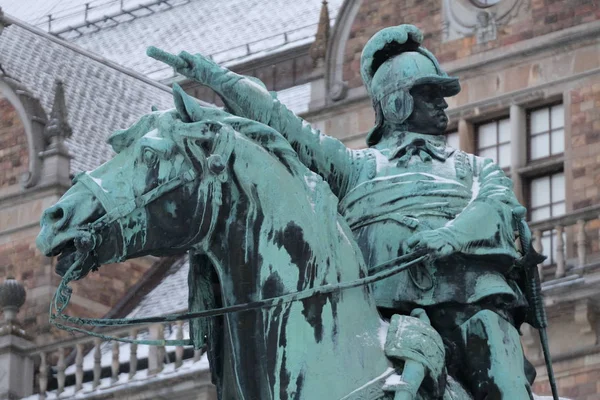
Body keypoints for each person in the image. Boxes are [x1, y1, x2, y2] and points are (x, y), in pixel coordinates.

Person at [155, 25, 536, 399]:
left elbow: (496, 206)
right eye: (430, 93)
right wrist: (215, 77)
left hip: (469, 309)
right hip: (377, 317)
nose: (443, 102)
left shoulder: (474, 169)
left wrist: (448, 235)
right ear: (396, 102)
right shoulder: (356, 168)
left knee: (504, 377)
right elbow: (284, 124)